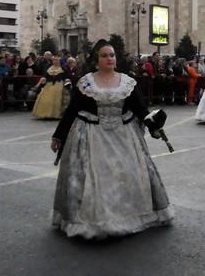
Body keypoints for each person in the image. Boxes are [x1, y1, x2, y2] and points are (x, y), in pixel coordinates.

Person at [50, 39, 173, 239]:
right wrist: (59, 134)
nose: (109, 59)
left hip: (123, 137)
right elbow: (72, 110)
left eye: (112, 55)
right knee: (95, 178)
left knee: (125, 175)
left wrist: (153, 125)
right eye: (105, 55)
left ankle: (128, 215)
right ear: (96, 60)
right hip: (91, 136)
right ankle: (97, 219)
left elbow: (140, 109)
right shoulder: (86, 82)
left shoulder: (127, 82)